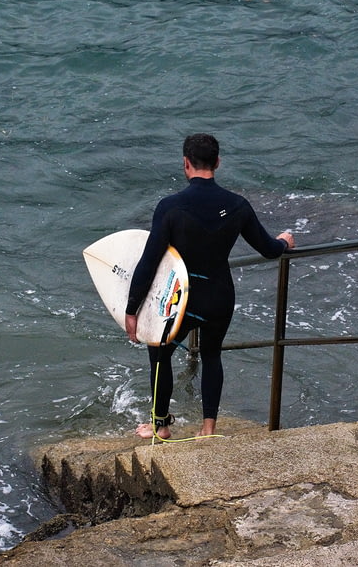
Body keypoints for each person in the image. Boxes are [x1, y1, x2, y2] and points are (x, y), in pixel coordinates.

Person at [125, 133, 295, 439]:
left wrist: (131, 309)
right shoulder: (238, 205)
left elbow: (148, 263)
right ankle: (208, 428)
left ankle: (161, 425)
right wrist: (284, 242)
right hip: (219, 296)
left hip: (182, 300)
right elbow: (269, 249)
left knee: (160, 354)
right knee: (212, 355)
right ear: (217, 162)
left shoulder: (170, 207)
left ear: (185, 163)